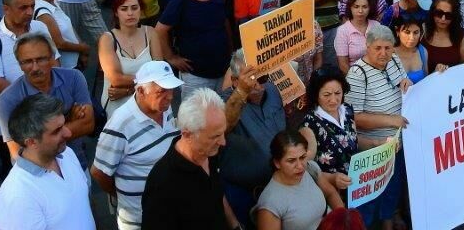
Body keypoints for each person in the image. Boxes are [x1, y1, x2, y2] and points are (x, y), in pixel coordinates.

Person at [91, 61, 180, 230]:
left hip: (169, 213)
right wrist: (123, 196)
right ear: (140, 91)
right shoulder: (119, 125)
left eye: (171, 89)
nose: (170, 96)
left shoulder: (164, 108)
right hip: (139, 220)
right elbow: (99, 173)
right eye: (162, 91)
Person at [140, 88, 242, 229]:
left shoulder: (210, 152)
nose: (223, 142)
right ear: (188, 134)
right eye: (215, 136)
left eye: (222, 133)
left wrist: (235, 226)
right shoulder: (162, 184)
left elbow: (217, 194)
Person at [0, 94, 94, 230]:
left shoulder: (67, 154)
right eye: (57, 131)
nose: (68, 133)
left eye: (63, 125)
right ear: (31, 142)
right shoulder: (17, 195)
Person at [344, 25, 409, 229]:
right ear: (368, 46)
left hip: (398, 142)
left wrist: (406, 83)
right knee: (370, 198)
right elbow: (354, 117)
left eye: (388, 48)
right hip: (374, 147)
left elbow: (403, 85)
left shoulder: (394, 60)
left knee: (392, 189)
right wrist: (391, 120)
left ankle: (388, 224)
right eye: (378, 48)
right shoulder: (357, 73)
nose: (383, 53)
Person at [0, 34, 93, 167]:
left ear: (52, 58)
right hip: (38, 171)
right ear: (20, 64)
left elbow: (88, 124)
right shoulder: (7, 99)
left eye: (41, 59)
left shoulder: (74, 78)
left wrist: (38, 138)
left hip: (77, 162)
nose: (35, 68)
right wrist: (69, 121)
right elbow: (17, 151)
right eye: (27, 61)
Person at [221, 50, 286, 225]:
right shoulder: (225, 102)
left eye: (262, 77)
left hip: (279, 185)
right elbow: (222, 126)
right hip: (244, 192)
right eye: (250, 79)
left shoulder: (272, 90)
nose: (257, 84)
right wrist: (242, 91)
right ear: (235, 81)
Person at [156, 0, 230, 96]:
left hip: (222, 71)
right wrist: (170, 57)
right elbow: (160, 30)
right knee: (194, 110)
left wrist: (230, 48)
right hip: (195, 76)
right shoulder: (180, 1)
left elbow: (224, 23)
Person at [0, 0, 55, 111]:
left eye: (32, 6)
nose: (30, 12)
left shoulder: (40, 27)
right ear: (6, 9)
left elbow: (55, 64)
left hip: (50, 104)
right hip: (16, 112)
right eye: (23, 8)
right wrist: (35, 102)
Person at [256, 129, 345, 230]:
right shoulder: (270, 203)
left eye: (302, 157)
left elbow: (330, 193)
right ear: (277, 163)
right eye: (291, 161)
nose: (300, 166)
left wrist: (345, 220)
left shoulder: (310, 169)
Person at [98, 0, 164, 114]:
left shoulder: (150, 33)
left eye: (134, 8)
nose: (130, 13)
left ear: (140, 10)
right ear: (116, 12)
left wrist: (127, 91)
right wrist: (150, 79)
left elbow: (160, 74)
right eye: (124, 9)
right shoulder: (107, 39)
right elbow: (116, 80)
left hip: (149, 101)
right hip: (119, 107)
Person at [299, 67, 358, 182]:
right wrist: (332, 179)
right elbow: (305, 166)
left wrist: (378, 143)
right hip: (331, 187)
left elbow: (353, 141)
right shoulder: (309, 125)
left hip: (356, 181)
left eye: (337, 93)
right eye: (327, 95)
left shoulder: (347, 110)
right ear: (316, 95)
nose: (333, 100)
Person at [32, 0, 88, 69]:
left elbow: (69, 28)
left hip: (74, 62)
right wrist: (83, 48)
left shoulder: (54, 2)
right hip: (66, 68)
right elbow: (59, 44)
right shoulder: (43, 13)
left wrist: (81, 50)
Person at [279, 0, 325, 87]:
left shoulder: (314, 25)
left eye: (305, 3)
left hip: (310, 84)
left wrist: (314, 83)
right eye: (297, 5)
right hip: (288, 87)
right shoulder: (280, 32)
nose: (302, 8)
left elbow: (318, 58)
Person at [335, 0, 381, 72]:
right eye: (356, 7)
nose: (360, 11)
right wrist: (355, 78)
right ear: (350, 8)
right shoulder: (342, 31)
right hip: (354, 74)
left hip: (378, 72)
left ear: (370, 8)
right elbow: (343, 64)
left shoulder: (377, 26)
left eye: (364, 7)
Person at [422, 0, 464, 71]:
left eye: (448, 15)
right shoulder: (421, 31)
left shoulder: (460, 34)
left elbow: (463, 64)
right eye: (439, 13)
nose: (443, 19)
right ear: (432, 12)